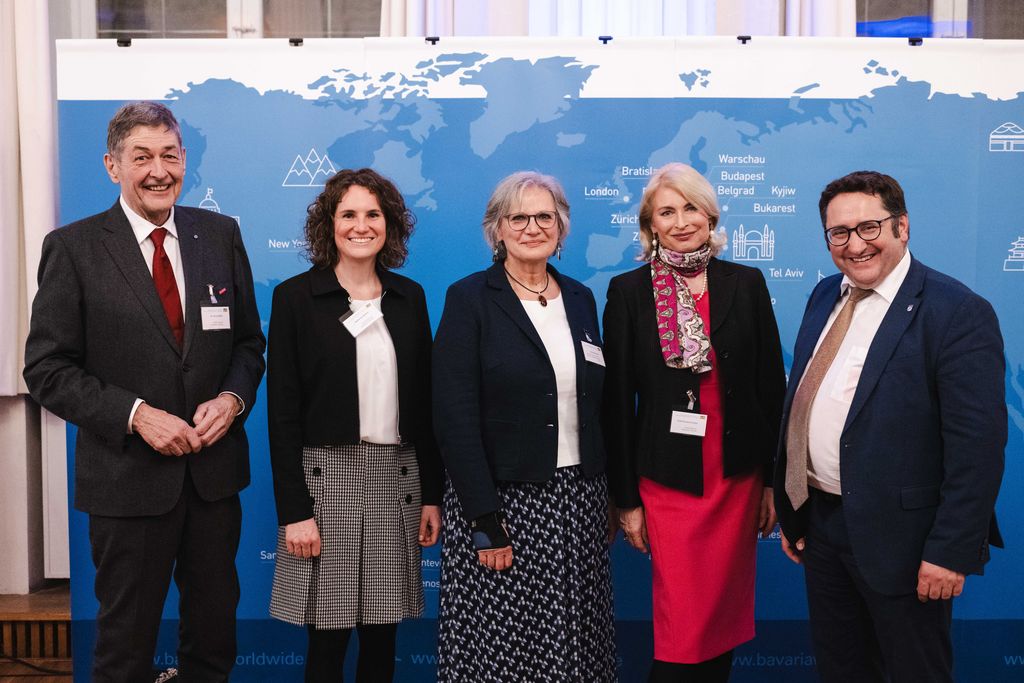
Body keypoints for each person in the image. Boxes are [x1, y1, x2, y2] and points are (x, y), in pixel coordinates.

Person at [23, 102, 266, 682]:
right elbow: (47, 368)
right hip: (126, 483)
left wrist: (232, 401)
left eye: (170, 155)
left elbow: (249, 345)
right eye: (142, 157)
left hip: (212, 482)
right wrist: (135, 415)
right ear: (113, 166)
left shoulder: (220, 234)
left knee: (213, 636)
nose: (159, 170)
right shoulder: (75, 248)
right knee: (125, 646)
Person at [775, 170, 1005, 682]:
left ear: (902, 227)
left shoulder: (956, 312)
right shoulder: (823, 297)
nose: (854, 245)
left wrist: (950, 552)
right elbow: (804, 404)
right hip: (824, 527)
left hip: (906, 542)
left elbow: (978, 448)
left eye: (869, 227)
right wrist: (795, 507)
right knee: (842, 671)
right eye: (839, 232)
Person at [603, 162, 785, 682]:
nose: (681, 220)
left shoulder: (745, 282)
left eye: (689, 207)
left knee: (723, 617)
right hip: (668, 479)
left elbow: (769, 387)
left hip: (736, 474)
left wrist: (772, 481)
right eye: (666, 211)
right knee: (683, 622)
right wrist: (627, 500)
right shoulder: (629, 291)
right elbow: (616, 403)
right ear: (650, 225)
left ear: (709, 214)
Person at [433, 171, 617, 681]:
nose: (532, 227)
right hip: (505, 502)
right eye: (519, 217)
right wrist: (484, 519)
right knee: (504, 651)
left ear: (561, 228)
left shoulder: (580, 299)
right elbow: (454, 416)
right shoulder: (470, 298)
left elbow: (592, 402)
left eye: (545, 216)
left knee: (576, 643)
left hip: (577, 500)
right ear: (497, 229)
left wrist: (604, 495)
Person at [267, 168, 442, 682]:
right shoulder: (296, 298)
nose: (361, 225)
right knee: (328, 635)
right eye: (348, 214)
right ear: (330, 224)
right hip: (326, 482)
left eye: (373, 214)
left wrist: (432, 494)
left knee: (382, 636)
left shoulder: (410, 299)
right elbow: (281, 414)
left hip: (397, 480)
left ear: (390, 224)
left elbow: (426, 408)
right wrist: (294, 511)